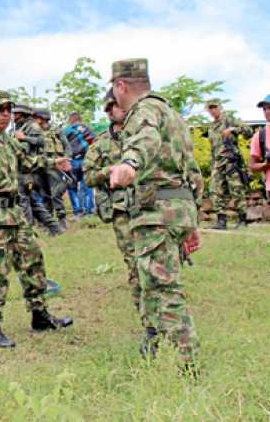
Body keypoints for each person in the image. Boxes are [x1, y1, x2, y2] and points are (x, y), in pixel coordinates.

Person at [0, 90, 73, 349]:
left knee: (33, 259)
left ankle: (40, 315)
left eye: (9, 110)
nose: (6, 115)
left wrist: (56, 162)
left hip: (14, 212)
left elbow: (29, 162)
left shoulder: (6, 141)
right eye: (0, 109)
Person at [108, 59, 203, 369]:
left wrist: (130, 164)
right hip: (178, 208)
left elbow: (143, 139)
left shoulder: (144, 112)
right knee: (152, 285)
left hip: (156, 213)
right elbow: (193, 170)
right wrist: (193, 219)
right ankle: (156, 348)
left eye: (114, 87)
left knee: (164, 289)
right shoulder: (171, 113)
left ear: (121, 85)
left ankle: (188, 367)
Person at [84, 90, 142, 323]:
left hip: (148, 203)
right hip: (121, 209)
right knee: (132, 257)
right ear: (109, 111)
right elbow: (88, 177)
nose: (121, 109)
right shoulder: (101, 144)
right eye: (116, 106)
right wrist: (110, 171)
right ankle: (143, 304)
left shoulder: (141, 135)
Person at [13, 104, 63, 236]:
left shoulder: (32, 126)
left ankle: (27, 232)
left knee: (23, 200)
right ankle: (55, 227)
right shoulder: (21, 126)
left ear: (23, 114)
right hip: (24, 168)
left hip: (29, 169)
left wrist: (24, 138)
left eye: (16, 113)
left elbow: (41, 141)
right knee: (32, 203)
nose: (13, 116)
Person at [205, 99, 253, 230]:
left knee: (236, 190)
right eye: (210, 108)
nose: (213, 110)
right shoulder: (211, 127)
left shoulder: (229, 120)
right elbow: (213, 148)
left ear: (220, 107)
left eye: (215, 107)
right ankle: (221, 221)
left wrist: (233, 129)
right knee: (214, 191)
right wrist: (212, 164)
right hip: (218, 163)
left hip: (231, 162)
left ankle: (243, 219)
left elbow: (248, 131)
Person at [33, 108, 70, 232]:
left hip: (55, 167)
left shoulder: (56, 131)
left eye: (36, 118)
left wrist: (66, 160)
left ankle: (62, 221)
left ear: (41, 118)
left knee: (56, 195)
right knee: (45, 196)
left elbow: (67, 147)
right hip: (41, 167)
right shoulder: (35, 133)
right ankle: (47, 223)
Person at [64, 111, 96, 218]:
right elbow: (94, 143)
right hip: (86, 161)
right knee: (87, 186)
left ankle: (77, 212)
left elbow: (61, 146)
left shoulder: (66, 130)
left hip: (71, 162)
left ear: (71, 120)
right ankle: (88, 211)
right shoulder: (87, 129)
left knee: (72, 187)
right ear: (80, 119)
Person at [250, 94, 270, 200]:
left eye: (269, 107)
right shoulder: (259, 136)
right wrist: (266, 164)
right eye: (264, 109)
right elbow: (253, 166)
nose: (267, 112)